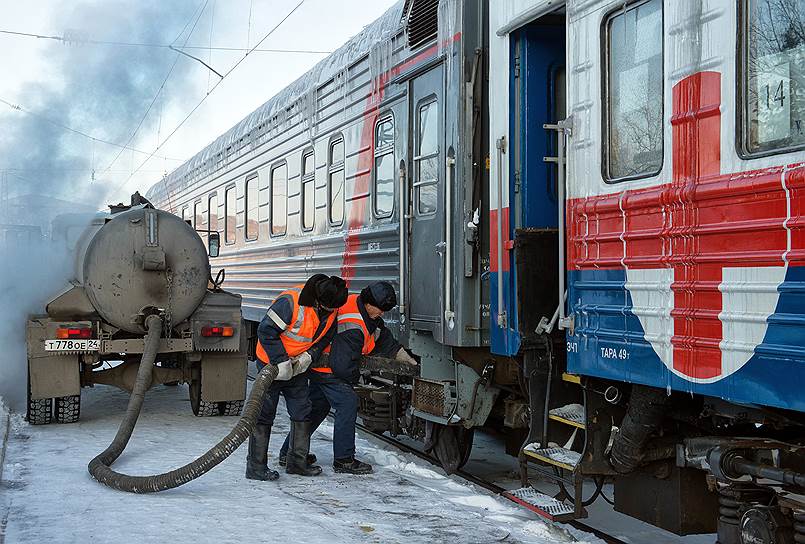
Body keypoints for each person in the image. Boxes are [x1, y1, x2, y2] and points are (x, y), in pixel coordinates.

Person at [279, 281, 418, 475]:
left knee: (317, 407)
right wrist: (356, 381)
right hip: (327, 368)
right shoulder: (354, 326)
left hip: (323, 365)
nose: (383, 314)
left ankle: (290, 453)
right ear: (369, 303)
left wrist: (410, 362)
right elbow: (342, 367)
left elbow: (385, 340)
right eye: (380, 310)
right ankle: (344, 460)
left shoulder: (361, 306)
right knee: (348, 402)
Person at [246, 274, 348, 481]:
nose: (331, 312)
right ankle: (256, 468)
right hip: (271, 365)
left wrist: (309, 356)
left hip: (297, 368)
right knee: (264, 414)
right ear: (319, 300)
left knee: (302, 410)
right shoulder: (290, 302)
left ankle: (297, 463)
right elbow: (265, 332)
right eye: (328, 308)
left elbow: (327, 335)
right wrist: (280, 361)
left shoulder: (331, 306)